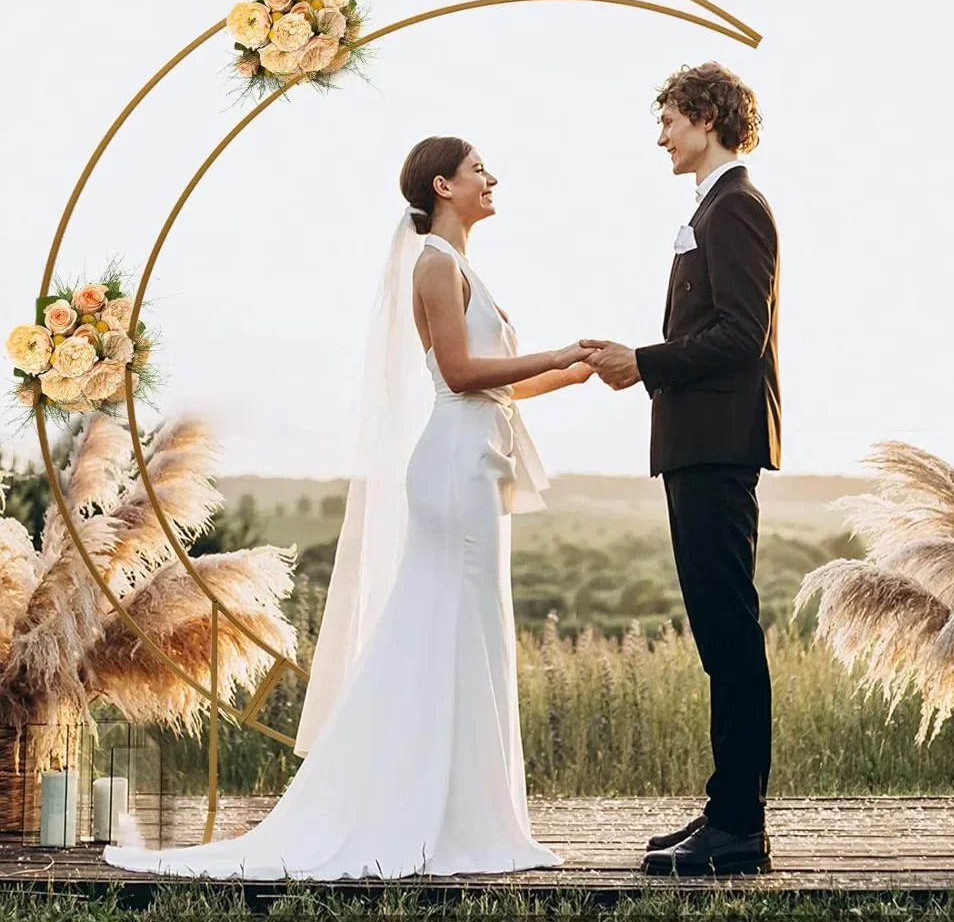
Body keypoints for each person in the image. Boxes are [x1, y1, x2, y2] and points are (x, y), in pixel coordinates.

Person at [103, 135, 593, 880]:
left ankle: (468, 811)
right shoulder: (434, 263)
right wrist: (554, 353)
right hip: (456, 467)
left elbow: (499, 383)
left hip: (478, 466)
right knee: (449, 629)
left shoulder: (461, 266)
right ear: (443, 185)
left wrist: (577, 371)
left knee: (467, 633)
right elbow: (459, 374)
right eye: (478, 170)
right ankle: (428, 813)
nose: (492, 178)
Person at [581, 61, 780, 877]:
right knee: (717, 632)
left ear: (706, 116)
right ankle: (725, 810)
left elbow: (741, 336)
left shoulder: (735, 208)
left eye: (667, 119)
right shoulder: (712, 206)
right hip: (699, 443)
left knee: (728, 632)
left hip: (717, 444)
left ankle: (738, 828)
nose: (660, 135)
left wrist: (644, 361)